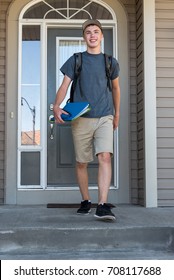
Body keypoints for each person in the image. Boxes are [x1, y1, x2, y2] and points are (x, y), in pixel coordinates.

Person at [53, 19, 120, 221]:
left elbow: (116, 89)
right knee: (82, 162)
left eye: (96, 31)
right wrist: (56, 105)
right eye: (88, 32)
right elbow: (65, 86)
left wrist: (117, 114)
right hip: (81, 118)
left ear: (101, 36)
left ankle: (102, 205)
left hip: (105, 116)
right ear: (84, 37)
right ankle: (85, 200)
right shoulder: (76, 60)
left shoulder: (110, 62)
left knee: (105, 157)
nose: (92, 35)